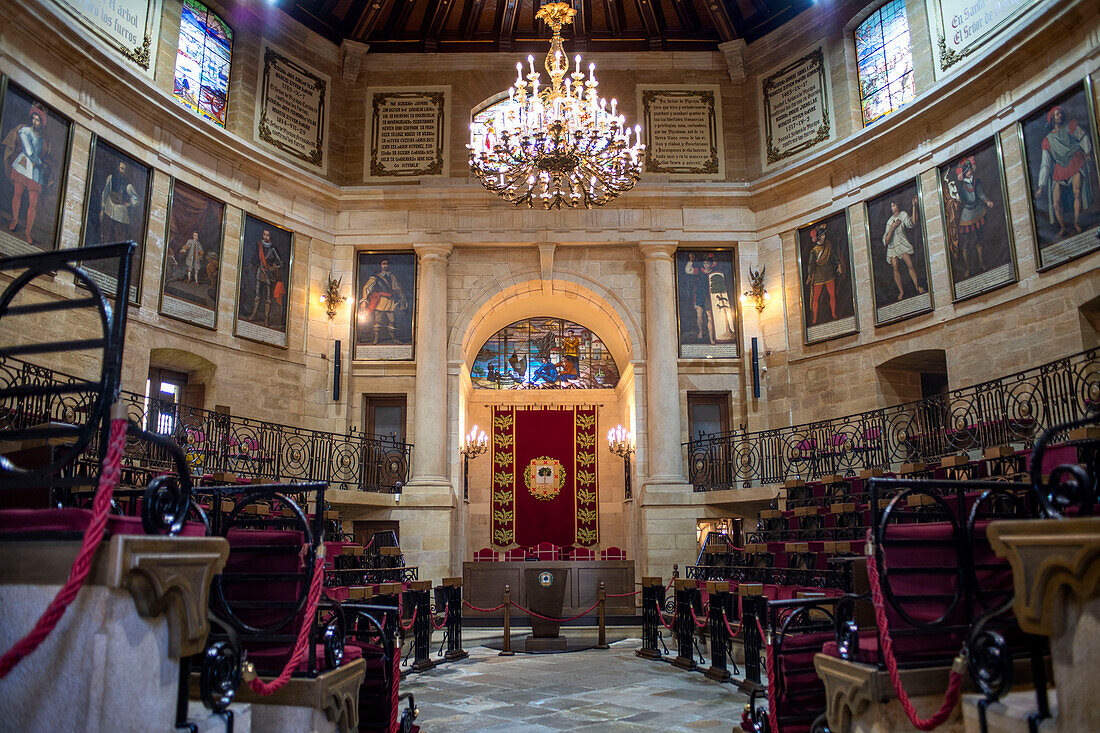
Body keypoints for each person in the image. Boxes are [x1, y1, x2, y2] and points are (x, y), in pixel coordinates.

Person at [1034, 104, 1094, 237]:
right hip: (1060, 168)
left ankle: (1076, 223)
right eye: (1057, 114)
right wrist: (1041, 186)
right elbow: (1045, 164)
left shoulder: (1070, 127)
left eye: (1061, 113)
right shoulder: (1047, 140)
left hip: (1074, 160)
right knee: (1056, 204)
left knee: (1077, 193)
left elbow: (1083, 137)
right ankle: (1062, 227)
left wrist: (1087, 151)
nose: (1059, 115)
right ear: (1052, 118)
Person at [4, 104, 49, 244]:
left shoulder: (44, 140)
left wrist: (42, 164)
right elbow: (29, 151)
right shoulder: (24, 131)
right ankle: (15, 220)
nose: (34, 122)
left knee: (33, 203)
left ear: (41, 123)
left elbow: (42, 154)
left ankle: (28, 232)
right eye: (34, 119)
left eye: (37, 120)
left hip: (35, 171)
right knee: (17, 193)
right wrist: (40, 163)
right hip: (24, 165)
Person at [953, 156, 994, 278]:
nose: (969, 172)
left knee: (979, 238)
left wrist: (987, 201)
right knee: (965, 242)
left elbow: (981, 194)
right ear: (964, 173)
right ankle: (967, 268)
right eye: (967, 171)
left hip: (978, 211)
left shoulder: (977, 182)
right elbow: (962, 200)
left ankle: (981, 263)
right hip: (967, 214)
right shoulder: (960, 188)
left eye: (970, 169)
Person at [882, 196, 926, 302]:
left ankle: (916, 287)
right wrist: (892, 227)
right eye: (891, 206)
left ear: (897, 206)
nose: (892, 208)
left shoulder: (903, 215)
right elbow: (886, 240)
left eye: (893, 206)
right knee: (895, 268)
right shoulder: (889, 222)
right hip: (892, 246)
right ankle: (901, 292)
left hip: (901, 243)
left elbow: (912, 223)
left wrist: (914, 206)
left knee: (910, 265)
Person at [358, 258, 407, 344]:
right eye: (384, 263)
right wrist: (364, 300)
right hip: (380, 301)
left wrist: (402, 297)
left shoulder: (392, 276)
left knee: (392, 321)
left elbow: (398, 287)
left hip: (389, 300)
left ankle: (394, 338)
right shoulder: (375, 277)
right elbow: (367, 287)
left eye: (387, 264)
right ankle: (376, 338)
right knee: (378, 320)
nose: (385, 265)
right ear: (380, 265)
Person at [804, 224, 843, 325]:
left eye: (824, 235)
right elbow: (811, 264)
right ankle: (814, 319)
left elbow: (834, 256)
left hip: (829, 274)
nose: (824, 237)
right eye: (822, 235)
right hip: (818, 276)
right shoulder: (814, 251)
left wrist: (838, 264)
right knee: (815, 298)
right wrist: (809, 275)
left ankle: (834, 314)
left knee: (832, 295)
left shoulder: (828, 245)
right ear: (818, 237)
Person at [246, 229, 285, 328]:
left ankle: (266, 318)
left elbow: (282, 263)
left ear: (270, 236)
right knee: (257, 294)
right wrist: (251, 265)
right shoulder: (258, 246)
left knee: (268, 298)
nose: (265, 237)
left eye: (267, 235)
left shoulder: (273, 249)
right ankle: (254, 313)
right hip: (260, 271)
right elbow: (255, 258)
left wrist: (275, 267)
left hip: (269, 274)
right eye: (264, 234)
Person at [99, 159, 140, 244]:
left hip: (120, 213)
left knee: (119, 238)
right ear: (117, 168)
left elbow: (136, 199)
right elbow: (105, 192)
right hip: (109, 208)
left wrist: (130, 204)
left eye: (124, 169)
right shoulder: (110, 178)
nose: (122, 171)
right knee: (105, 236)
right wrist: (102, 208)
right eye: (121, 168)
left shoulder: (128, 185)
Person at [684, 252, 715, 343]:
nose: (706, 265)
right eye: (705, 263)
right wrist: (691, 261)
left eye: (708, 263)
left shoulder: (714, 273)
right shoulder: (699, 270)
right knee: (699, 315)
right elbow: (688, 270)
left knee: (709, 316)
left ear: (711, 264)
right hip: (699, 295)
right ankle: (700, 332)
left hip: (709, 296)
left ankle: (711, 337)